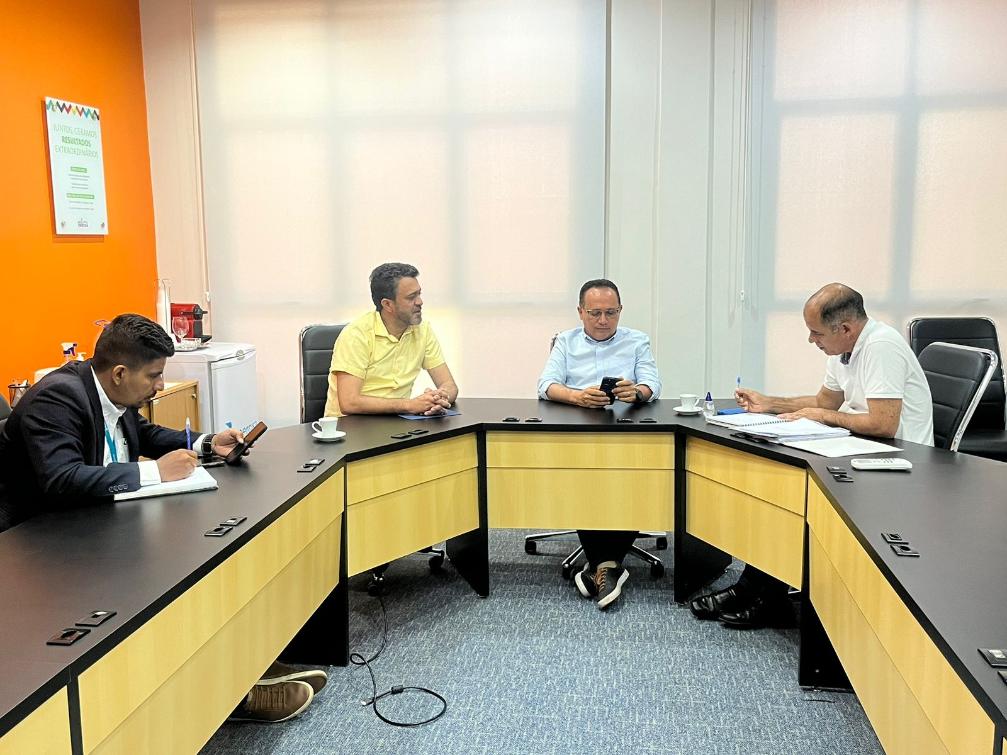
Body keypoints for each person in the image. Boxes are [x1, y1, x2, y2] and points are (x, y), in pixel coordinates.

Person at [0, 314, 326, 723]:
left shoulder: (109, 393)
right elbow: (61, 478)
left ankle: (246, 666)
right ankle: (230, 694)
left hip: (98, 521)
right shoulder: (58, 399)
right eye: (154, 376)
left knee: (203, 559)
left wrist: (207, 442)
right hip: (47, 548)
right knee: (174, 583)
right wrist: (156, 471)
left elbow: (146, 436)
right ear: (120, 373)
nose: (159, 386)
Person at [690, 283, 934, 628]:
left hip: (895, 462)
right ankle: (754, 588)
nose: (811, 340)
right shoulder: (843, 350)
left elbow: (883, 424)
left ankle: (766, 596)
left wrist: (824, 418)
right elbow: (824, 403)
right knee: (777, 493)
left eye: (815, 333)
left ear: (845, 329)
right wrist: (770, 404)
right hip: (860, 448)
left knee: (799, 501)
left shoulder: (881, 347)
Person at [537, 278, 662, 609]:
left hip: (627, 430)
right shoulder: (566, 340)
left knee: (636, 477)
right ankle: (609, 567)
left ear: (620, 311)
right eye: (595, 313)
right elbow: (546, 385)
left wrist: (636, 392)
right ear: (580, 312)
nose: (604, 320)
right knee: (587, 478)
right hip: (581, 430)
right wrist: (577, 396)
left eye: (611, 312)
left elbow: (653, 383)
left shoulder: (637, 340)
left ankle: (598, 568)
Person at [325, 262, 458, 417]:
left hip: (396, 422)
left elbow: (449, 384)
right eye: (411, 297)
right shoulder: (357, 335)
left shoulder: (423, 330)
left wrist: (440, 398)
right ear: (387, 304)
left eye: (419, 294)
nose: (420, 302)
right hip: (350, 428)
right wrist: (409, 405)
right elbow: (349, 402)